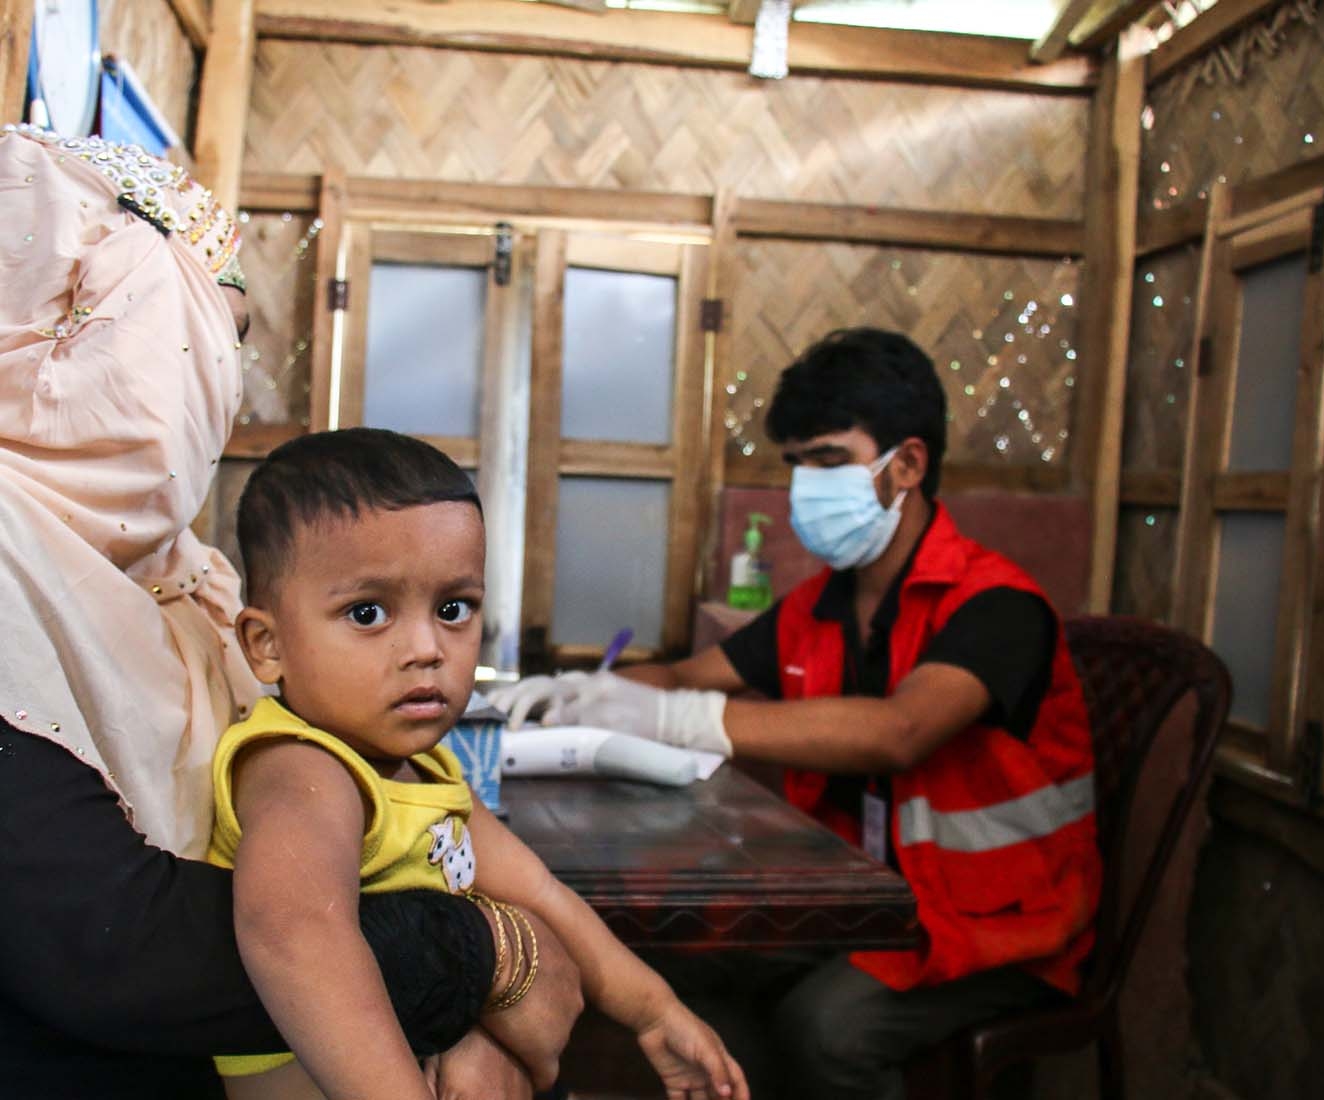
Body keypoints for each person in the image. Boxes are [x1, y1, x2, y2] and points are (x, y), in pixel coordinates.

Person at [0, 125, 579, 1100]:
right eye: (203, 339)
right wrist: (483, 952)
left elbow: (347, 803)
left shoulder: (188, 574)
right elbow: (119, 951)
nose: (226, 384)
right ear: (92, 331)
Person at [493, 327, 1102, 1099]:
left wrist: (682, 721)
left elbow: (899, 732)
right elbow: (685, 672)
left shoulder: (996, 607)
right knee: (672, 972)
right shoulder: (820, 606)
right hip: (859, 904)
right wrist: (580, 693)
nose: (804, 486)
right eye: (796, 464)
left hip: (997, 928)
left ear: (907, 464)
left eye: (828, 460)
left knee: (827, 1029)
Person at [211, 427, 749, 1100]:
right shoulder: (301, 769)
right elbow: (294, 935)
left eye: (453, 608)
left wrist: (654, 1010)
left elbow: (539, 892)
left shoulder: (425, 768)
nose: (426, 648)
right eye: (368, 612)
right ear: (266, 646)